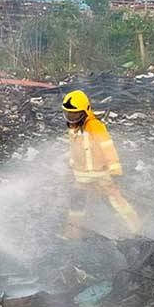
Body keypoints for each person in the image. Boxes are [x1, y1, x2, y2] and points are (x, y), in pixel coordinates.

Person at [63, 90, 141, 238]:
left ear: (85, 111)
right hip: (82, 174)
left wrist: (115, 169)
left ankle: (135, 228)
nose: (72, 118)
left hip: (100, 172)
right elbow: (74, 148)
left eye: (75, 115)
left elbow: (107, 147)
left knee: (114, 200)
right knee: (77, 201)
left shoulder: (95, 126)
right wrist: (72, 164)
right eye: (69, 114)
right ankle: (73, 231)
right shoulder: (73, 128)